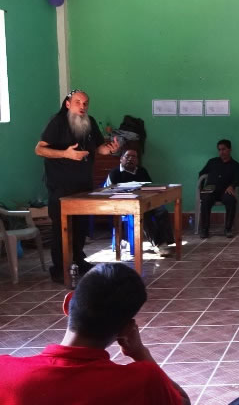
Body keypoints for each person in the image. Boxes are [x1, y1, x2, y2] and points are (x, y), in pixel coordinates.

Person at [0, 263, 189, 405]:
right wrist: (140, 353)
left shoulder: (5, 372)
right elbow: (182, 401)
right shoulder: (144, 381)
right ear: (125, 330)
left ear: (68, 303)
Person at [34, 90, 120, 283]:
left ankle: (79, 261)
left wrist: (110, 150)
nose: (82, 106)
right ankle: (59, 268)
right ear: (68, 104)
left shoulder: (90, 122)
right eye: (77, 102)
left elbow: (99, 148)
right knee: (62, 228)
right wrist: (66, 153)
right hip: (61, 187)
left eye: (85, 103)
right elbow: (39, 149)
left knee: (80, 226)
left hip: (83, 185)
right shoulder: (57, 122)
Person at [105, 149, 175, 256]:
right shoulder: (114, 173)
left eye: (134, 157)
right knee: (144, 214)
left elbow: (149, 187)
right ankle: (158, 244)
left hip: (145, 201)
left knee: (162, 211)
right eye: (127, 156)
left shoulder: (142, 171)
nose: (130, 159)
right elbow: (110, 192)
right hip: (125, 205)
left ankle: (166, 241)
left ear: (137, 160)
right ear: (121, 159)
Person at [198, 139, 239, 239]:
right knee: (205, 199)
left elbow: (238, 179)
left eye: (224, 149)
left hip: (225, 191)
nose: (221, 152)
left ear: (229, 149)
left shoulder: (236, 165)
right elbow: (201, 174)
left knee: (231, 200)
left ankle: (228, 229)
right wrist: (201, 189)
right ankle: (204, 230)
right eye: (219, 150)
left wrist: (232, 186)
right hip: (210, 190)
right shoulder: (212, 162)